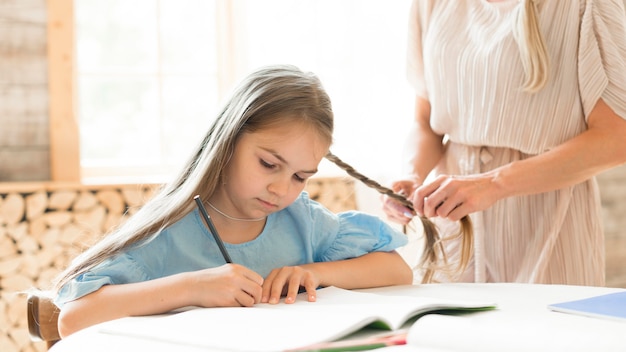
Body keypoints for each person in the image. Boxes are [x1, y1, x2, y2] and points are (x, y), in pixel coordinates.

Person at [53, 65, 413, 337]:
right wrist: (192, 287)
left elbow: (398, 270)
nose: (281, 189)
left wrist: (315, 273)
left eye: (301, 177)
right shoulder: (169, 231)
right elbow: (72, 318)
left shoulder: (303, 221)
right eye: (269, 164)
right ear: (227, 141)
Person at [383, 0, 626, 285]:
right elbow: (425, 123)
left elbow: (617, 138)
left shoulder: (589, 5)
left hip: (549, 230)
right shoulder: (432, 4)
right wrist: (412, 175)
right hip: (452, 235)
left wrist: (493, 184)